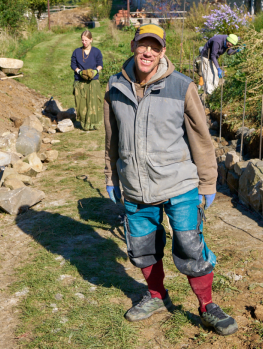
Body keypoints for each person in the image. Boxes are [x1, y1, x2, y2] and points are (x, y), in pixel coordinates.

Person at [103, 24, 238, 336]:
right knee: (142, 247)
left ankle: (207, 306)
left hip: (179, 183)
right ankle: (156, 295)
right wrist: (111, 176)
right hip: (135, 184)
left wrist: (208, 181)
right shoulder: (115, 87)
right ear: (133, 46)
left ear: (162, 51)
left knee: (190, 245)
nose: (147, 52)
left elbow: (201, 139)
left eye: (155, 47)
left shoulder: (182, 86)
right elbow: (111, 138)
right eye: (143, 45)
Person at [70, 30, 103, 131]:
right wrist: (79, 71)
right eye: (82, 40)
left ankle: (94, 124)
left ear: (91, 40)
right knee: (81, 103)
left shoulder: (96, 51)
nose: (84, 42)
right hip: (80, 81)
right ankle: (84, 124)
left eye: (86, 40)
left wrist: (95, 71)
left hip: (93, 81)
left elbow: (100, 64)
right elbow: (73, 64)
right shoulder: (76, 52)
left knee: (94, 103)